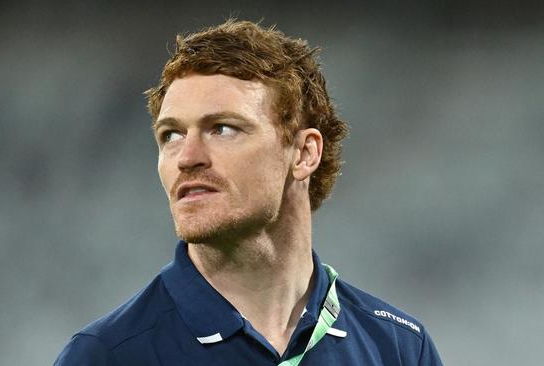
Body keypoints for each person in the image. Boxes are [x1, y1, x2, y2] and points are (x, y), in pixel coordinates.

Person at [54, 19, 442, 365]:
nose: (186, 158)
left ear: (304, 153)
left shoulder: (399, 349)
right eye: (170, 135)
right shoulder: (106, 355)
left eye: (222, 128)